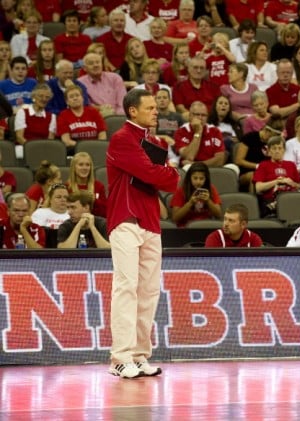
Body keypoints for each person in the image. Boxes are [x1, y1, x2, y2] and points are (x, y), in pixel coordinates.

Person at [106, 89, 180, 379]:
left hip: (150, 221)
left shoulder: (154, 142)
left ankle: (139, 355)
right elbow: (155, 175)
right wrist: (166, 172)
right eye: (149, 107)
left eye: (156, 107)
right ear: (132, 111)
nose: (156, 111)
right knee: (126, 287)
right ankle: (120, 358)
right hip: (125, 218)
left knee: (148, 291)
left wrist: (163, 173)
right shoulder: (121, 139)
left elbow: (168, 182)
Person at [253, 136, 300, 216]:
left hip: (291, 198)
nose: (277, 151)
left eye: (279, 148)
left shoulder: (291, 165)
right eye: (274, 148)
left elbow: (299, 187)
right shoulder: (263, 165)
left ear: (284, 150)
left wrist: (291, 182)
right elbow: (258, 188)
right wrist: (276, 181)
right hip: (270, 200)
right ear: (269, 151)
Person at [174, 100, 226, 170]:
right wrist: (198, 132)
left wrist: (197, 165)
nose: (200, 118)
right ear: (190, 116)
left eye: (204, 115)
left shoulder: (215, 131)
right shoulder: (181, 132)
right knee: (187, 167)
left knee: (233, 168)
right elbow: (189, 157)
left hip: (210, 168)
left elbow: (220, 160)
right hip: (190, 171)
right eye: (197, 114)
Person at [170, 162, 222, 227]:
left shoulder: (211, 189)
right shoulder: (180, 191)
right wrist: (190, 203)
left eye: (201, 178)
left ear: (206, 179)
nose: (198, 182)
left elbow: (219, 214)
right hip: (185, 228)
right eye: (195, 178)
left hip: (206, 226)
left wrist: (208, 201)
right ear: (190, 178)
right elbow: (175, 218)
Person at [57, 85, 107, 151]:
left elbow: (102, 136)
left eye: (77, 95)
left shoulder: (94, 112)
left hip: (95, 149)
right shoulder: (63, 115)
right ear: (67, 102)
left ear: (82, 98)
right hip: (75, 151)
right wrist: (83, 147)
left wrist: (95, 147)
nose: (75, 98)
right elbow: (66, 141)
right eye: (71, 97)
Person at [77, 52, 126, 117]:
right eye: (91, 63)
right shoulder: (80, 83)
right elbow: (85, 105)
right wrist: (100, 109)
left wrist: (117, 117)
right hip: (95, 117)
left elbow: (122, 102)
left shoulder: (115, 78)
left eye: (98, 62)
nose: (95, 65)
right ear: (84, 68)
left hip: (118, 116)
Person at [66, 152, 108, 218]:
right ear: (74, 167)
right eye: (81, 165)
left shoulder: (99, 186)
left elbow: (106, 213)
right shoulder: (66, 187)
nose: (85, 168)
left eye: (87, 165)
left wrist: (95, 200)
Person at [95, 8, 132, 72]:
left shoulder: (131, 40)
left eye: (122, 20)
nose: (119, 23)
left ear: (125, 23)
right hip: (108, 73)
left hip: (128, 73)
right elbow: (100, 59)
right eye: (116, 20)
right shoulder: (101, 40)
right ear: (110, 23)